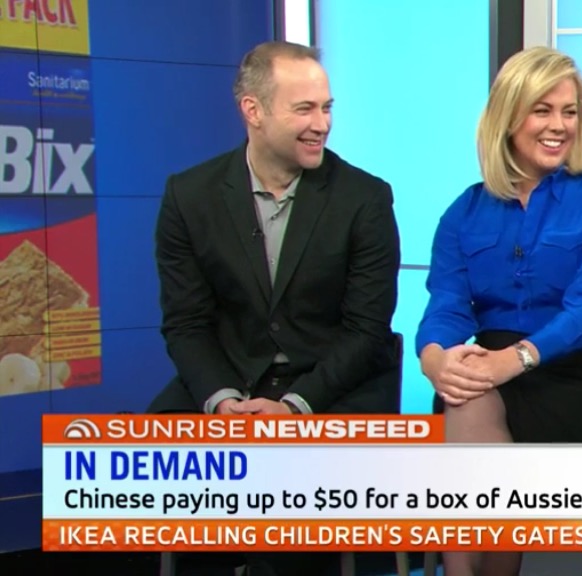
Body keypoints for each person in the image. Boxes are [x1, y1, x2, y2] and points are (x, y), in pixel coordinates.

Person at [148, 41, 401, 576]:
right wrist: (223, 402)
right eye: (304, 109)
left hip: (331, 387)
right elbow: (186, 323)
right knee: (150, 461)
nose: (322, 125)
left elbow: (367, 329)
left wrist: (293, 408)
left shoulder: (365, 199)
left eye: (327, 108)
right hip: (232, 379)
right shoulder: (188, 196)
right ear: (253, 110)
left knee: (288, 488)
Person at [415, 46, 582, 576]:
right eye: (543, 110)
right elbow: (446, 304)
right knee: (465, 392)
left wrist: (511, 360)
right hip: (494, 375)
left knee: (472, 401)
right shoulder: (463, 212)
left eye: (570, 112)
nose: (559, 126)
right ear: (508, 117)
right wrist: (435, 360)